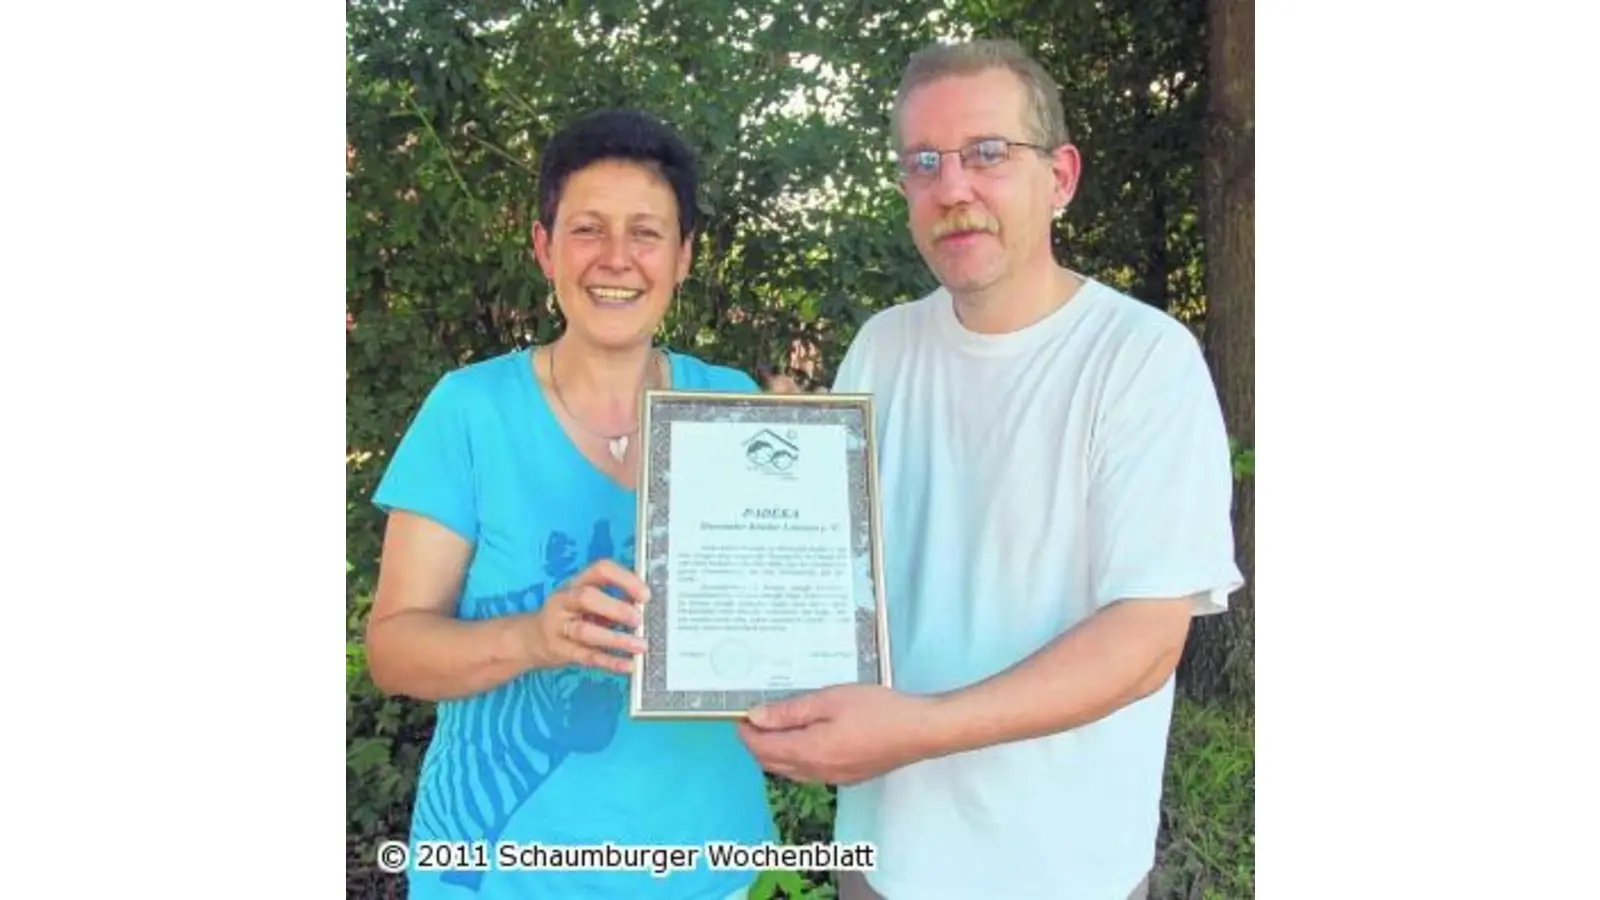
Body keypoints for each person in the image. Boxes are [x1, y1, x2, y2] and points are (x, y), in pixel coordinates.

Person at [737, 39, 1244, 900]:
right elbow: (824, 576)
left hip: (1059, 870)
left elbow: (1145, 643)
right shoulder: (882, 348)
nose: (954, 187)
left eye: (988, 154)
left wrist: (918, 730)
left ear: (1061, 176)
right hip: (882, 856)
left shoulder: (1140, 360)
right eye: (924, 162)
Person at [366, 108, 775, 900]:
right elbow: (393, 650)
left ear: (684, 256)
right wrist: (532, 637)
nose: (616, 259)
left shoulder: (735, 404)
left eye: (647, 233)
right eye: (587, 229)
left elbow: (773, 624)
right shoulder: (470, 411)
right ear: (545, 246)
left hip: (706, 867)